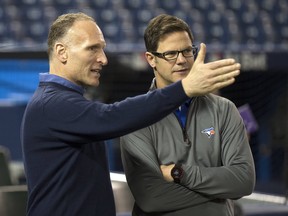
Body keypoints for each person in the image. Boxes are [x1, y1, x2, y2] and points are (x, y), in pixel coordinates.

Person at [20, 12, 241, 216]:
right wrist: (184, 88)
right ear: (61, 52)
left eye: (103, 48)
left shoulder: (65, 101)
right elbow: (112, 117)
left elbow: (243, 180)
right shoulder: (52, 104)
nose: (103, 59)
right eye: (92, 49)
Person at [120, 14, 255, 216]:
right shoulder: (135, 115)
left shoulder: (224, 109)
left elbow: (243, 181)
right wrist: (219, 195)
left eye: (186, 51)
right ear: (151, 59)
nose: (182, 60)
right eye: (171, 54)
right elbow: (151, 197)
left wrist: (179, 172)